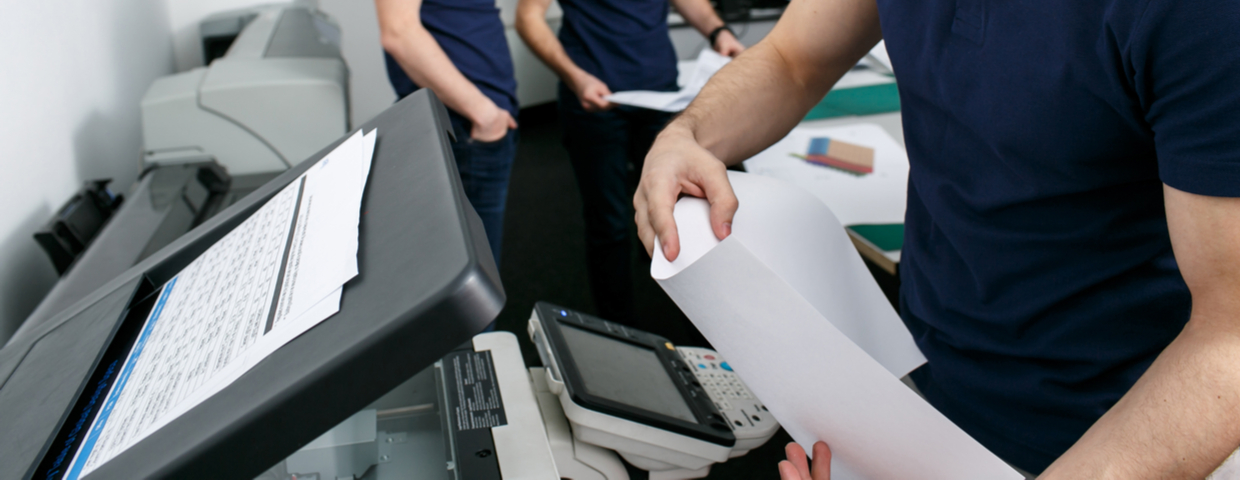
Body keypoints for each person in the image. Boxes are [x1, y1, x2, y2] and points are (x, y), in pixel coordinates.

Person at [633, 0, 1240, 478]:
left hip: (1114, 431)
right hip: (917, 374)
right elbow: (796, 57)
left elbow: (1230, 339)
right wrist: (690, 135)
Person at [515, 0, 744, 326]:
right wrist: (575, 77)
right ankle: (618, 329)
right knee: (608, 222)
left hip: (661, 93)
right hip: (594, 98)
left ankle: (695, 319)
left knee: (679, 210)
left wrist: (718, 31)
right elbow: (528, 17)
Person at [376, 0, 519, 265]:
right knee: (473, 278)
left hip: (479, 120)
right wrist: (483, 113)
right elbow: (399, 32)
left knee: (477, 266)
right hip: (464, 124)